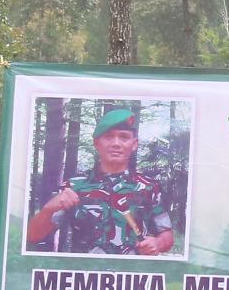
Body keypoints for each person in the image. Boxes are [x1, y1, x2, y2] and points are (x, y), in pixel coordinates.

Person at [27, 106, 178, 255]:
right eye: (108, 137)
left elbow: (167, 236)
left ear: (134, 144)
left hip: (133, 275)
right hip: (87, 276)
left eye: (124, 137)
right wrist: (48, 209)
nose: (116, 143)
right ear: (96, 143)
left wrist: (157, 243)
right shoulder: (73, 187)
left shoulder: (148, 187)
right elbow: (33, 235)